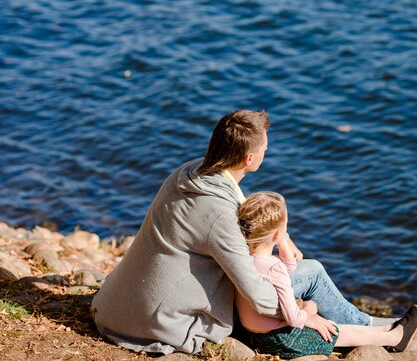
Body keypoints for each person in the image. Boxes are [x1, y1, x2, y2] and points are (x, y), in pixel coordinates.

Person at [91, 109, 387, 354]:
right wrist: (301, 315)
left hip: (116, 305)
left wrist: (282, 238)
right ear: (249, 159)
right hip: (158, 320)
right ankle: (373, 327)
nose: (266, 152)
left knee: (299, 270)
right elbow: (258, 295)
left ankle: (368, 323)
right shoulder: (219, 216)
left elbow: (240, 204)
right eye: (265, 149)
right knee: (311, 272)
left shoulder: (190, 172)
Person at [236, 191, 417, 358]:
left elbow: (289, 267)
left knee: (331, 326)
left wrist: (281, 242)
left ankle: (387, 327)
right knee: (335, 331)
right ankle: (394, 338)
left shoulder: (243, 261)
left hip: (254, 334)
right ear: (276, 235)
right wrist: (309, 309)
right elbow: (293, 318)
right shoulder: (275, 268)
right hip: (280, 339)